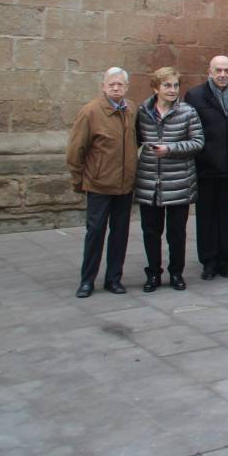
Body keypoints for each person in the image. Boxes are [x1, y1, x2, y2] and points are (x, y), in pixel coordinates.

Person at [68, 68, 138, 298]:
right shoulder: (90, 112)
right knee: (96, 232)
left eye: (120, 85)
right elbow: (76, 149)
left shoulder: (131, 110)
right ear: (103, 86)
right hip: (99, 184)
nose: (116, 88)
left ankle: (113, 278)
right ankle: (87, 280)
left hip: (124, 185)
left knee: (120, 233)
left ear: (127, 87)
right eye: (112, 84)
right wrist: (79, 180)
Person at [134, 67, 205, 292]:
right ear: (156, 88)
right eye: (167, 85)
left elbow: (198, 142)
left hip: (179, 182)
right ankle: (153, 273)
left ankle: (176, 272)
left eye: (175, 85)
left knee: (176, 233)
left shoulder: (188, 112)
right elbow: (135, 139)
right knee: (151, 231)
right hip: (150, 182)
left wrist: (170, 149)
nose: (172, 90)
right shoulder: (143, 112)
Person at [185, 55, 228, 280]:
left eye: (227, 70)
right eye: (218, 70)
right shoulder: (195, 95)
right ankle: (209, 261)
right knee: (206, 216)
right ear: (210, 71)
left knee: (227, 215)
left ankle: (225, 261)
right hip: (206, 166)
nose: (222, 75)